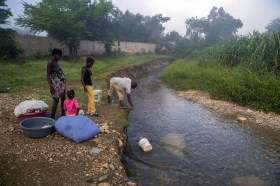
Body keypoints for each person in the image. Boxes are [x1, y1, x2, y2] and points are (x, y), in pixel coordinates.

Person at [47, 48, 66, 119]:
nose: (59, 56)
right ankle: (52, 118)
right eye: (58, 55)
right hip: (56, 85)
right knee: (56, 100)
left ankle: (63, 115)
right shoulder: (50, 62)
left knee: (63, 99)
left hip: (61, 84)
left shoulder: (56, 61)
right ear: (54, 54)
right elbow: (48, 75)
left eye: (60, 55)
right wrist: (51, 87)